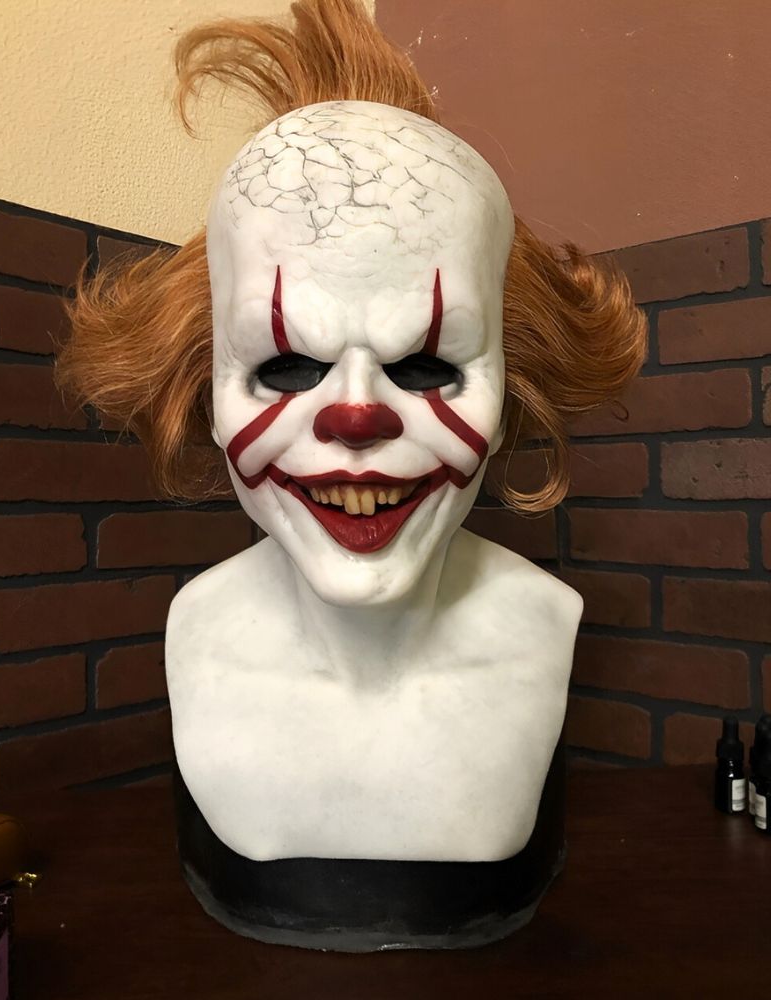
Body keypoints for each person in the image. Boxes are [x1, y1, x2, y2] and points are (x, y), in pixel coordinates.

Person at [56, 0, 646, 949]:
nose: (355, 416)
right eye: (286, 365)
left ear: (510, 393)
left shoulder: (546, 621)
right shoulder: (197, 630)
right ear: (205, 386)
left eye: (428, 364)